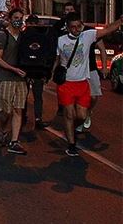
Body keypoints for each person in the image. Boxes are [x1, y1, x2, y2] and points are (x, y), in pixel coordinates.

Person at [52, 13, 122, 156]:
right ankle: (71, 144)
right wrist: (52, 74)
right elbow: (57, 60)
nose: (76, 30)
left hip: (82, 83)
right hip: (66, 84)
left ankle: (71, 130)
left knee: (82, 116)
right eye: (73, 27)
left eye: (79, 26)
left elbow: (107, 30)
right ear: (68, 27)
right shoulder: (60, 40)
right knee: (69, 114)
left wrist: (120, 21)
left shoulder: (88, 36)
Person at [0, 8, 28, 154]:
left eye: (20, 18)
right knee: (6, 111)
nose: (18, 20)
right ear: (10, 18)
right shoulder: (3, 35)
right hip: (5, 78)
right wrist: (13, 69)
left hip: (20, 79)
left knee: (18, 109)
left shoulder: (24, 36)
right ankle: (2, 129)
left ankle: (14, 141)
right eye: (16, 17)